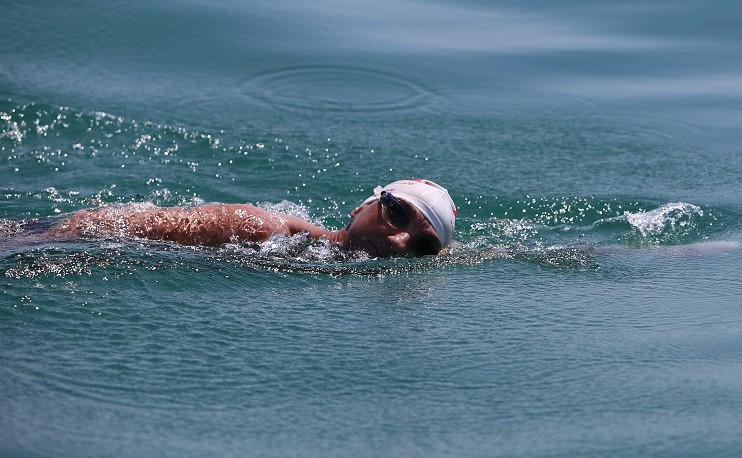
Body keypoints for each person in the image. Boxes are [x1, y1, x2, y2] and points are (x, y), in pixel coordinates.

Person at [47, 179, 456, 258]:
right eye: (398, 213)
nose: (401, 241)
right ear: (361, 207)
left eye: (422, 246)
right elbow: (113, 225)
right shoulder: (266, 230)